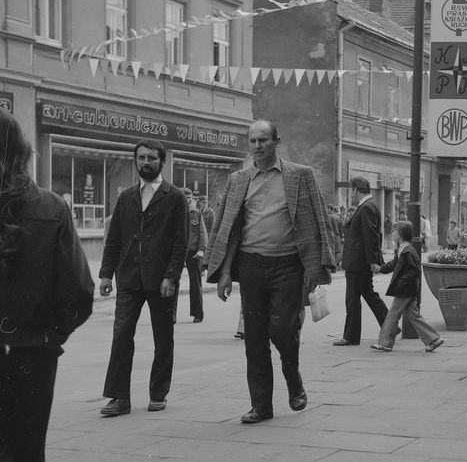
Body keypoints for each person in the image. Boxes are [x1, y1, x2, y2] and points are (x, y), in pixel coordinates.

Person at [206, 120, 335, 423]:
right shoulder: (239, 180)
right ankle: (261, 406)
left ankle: (293, 379)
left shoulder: (299, 175)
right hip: (251, 265)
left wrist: (319, 267)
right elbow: (229, 230)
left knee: (283, 330)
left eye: (263, 140)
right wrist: (224, 272)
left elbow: (317, 219)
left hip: (288, 265)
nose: (257, 146)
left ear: (276, 141)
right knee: (253, 338)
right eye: (252, 141)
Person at [0, 110, 94, 462]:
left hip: (31, 345)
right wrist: (48, 335)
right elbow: (79, 291)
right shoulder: (51, 206)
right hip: (32, 351)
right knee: (25, 450)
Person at [99, 139, 189, 416]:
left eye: (151, 158)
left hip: (161, 280)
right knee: (122, 334)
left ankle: (158, 393)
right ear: (135, 161)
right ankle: (118, 397)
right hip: (129, 278)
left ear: (162, 161)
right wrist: (105, 274)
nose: (145, 163)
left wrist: (171, 276)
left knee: (163, 337)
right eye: (141, 158)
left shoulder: (174, 197)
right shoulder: (126, 197)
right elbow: (113, 239)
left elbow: (180, 241)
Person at [370, 221, 444, 352]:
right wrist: (380, 269)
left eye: (394, 231)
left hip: (405, 290)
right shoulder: (403, 250)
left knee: (392, 314)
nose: (392, 233)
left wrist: (401, 283)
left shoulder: (408, 251)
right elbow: (394, 264)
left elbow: (414, 270)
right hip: (407, 289)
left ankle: (385, 342)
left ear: (401, 234)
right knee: (413, 316)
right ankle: (434, 339)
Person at [333, 177, 389, 346]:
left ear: (356, 190)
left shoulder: (366, 207)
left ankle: (350, 336)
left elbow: (370, 235)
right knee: (369, 295)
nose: (352, 194)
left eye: (352, 190)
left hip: (359, 263)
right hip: (360, 261)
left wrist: (372, 261)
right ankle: (390, 326)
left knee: (352, 298)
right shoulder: (367, 206)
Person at [178, 188, 208, 323]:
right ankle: (171, 315)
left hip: (193, 251)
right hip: (178, 252)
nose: (188, 201)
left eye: (190, 198)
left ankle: (197, 313)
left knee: (195, 283)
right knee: (173, 281)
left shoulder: (195, 214)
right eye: (185, 198)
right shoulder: (175, 212)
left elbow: (203, 233)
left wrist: (201, 250)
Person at [327, 204, 344, 269]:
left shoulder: (327, 217)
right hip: (337, 236)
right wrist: (342, 236)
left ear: (330, 209)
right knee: (338, 252)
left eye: (327, 208)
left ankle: (331, 265)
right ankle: (335, 265)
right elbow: (342, 227)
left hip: (329, 236)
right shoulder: (338, 217)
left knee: (331, 251)